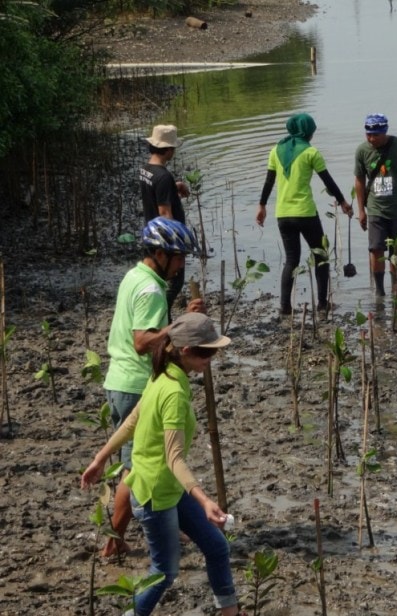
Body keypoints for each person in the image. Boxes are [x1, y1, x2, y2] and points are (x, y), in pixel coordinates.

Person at [81, 312, 239, 616]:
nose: (212, 358)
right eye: (207, 353)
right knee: (163, 572)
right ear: (185, 351)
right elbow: (174, 457)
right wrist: (205, 501)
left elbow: (131, 421)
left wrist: (99, 459)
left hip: (168, 487)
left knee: (218, 547)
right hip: (155, 494)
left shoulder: (163, 374)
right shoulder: (173, 391)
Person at [101, 217, 204, 557]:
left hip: (118, 380)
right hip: (134, 384)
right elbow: (143, 341)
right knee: (135, 470)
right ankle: (113, 541)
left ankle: (162, 524)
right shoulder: (151, 289)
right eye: (177, 257)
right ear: (160, 253)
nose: (180, 265)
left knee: (137, 465)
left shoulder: (135, 277)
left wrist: (177, 320)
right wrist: (181, 325)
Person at [255, 113, 353, 316]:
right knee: (321, 256)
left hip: (282, 214)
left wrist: (262, 206)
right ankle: (322, 304)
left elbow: (269, 181)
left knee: (291, 260)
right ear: (307, 131)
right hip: (305, 213)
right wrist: (343, 202)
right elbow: (328, 181)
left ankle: (285, 307)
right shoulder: (311, 152)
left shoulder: (275, 151)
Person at [354, 113, 397, 297]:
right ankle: (379, 291)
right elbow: (359, 180)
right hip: (376, 208)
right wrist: (361, 210)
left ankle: (395, 289)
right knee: (376, 249)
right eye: (368, 134)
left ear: (384, 132)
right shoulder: (362, 151)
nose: (371, 138)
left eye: (375, 135)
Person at [139, 124, 191, 314]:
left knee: (156, 280)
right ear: (168, 150)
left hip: (151, 234)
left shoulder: (146, 169)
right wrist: (178, 246)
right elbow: (164, 214)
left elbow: (154, 192)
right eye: (173, 148)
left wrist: (174, 187)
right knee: (175, 282)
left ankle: (160, 316)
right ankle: (162, 316)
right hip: (163, 240)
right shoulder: (163, 177)